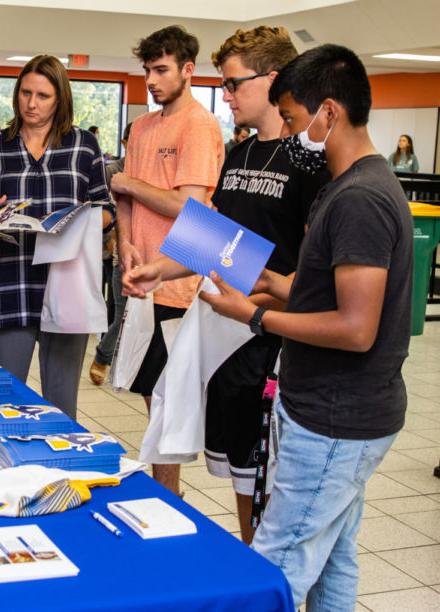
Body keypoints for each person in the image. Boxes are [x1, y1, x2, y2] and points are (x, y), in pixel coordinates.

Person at [197, 44, 412, 610]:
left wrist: (257, 315)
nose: (291, 133)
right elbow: (335, 292)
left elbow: (357, 326)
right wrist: (274, 281)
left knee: (278, 561)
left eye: (293, 119)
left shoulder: (360, 197)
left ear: (330, 112)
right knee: (334, 558)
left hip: (336, 413)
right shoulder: (343, 184)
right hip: (335, 406)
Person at [123, 26, 330, 543]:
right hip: (228, 339)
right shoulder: (239, 155)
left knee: (271, 488)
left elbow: (314, 268)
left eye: (235, 84)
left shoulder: (308, 162)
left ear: (274, 80)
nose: (228, 95)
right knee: (241, 478)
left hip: (274, 339)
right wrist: (164, 268)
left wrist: (261, 300)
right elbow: (221, 242)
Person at [0, 55, 115, 418]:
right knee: (2, 406)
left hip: (67, 288)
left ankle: (60, 473)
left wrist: (74, 220)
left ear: (60, 99)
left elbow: (106, 210)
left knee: (61, 408)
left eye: (43, 96)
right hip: (9, 286)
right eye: (25, 93)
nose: (31, 103)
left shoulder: (83, 146)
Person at [110, 25, 224, 495]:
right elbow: (123, 201)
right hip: (141, 276)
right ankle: (165, 489)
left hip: (180, 278)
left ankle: (168, 494)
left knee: (167, 398)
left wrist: (127, 183)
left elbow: (190, 209)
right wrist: (123, 241)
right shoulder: (141, 126)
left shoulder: (199, 124)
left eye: (161, 70)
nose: (152, 81)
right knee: (148, 393)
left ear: (188, 70)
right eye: (147, 71)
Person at [89, 121, 133, 385]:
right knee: (119, 312)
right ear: (125, 143)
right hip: (111, 250)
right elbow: (104, 210)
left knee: (121, 312)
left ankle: (110, 356)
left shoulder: (148, 174)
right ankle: (104, 355)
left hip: (140, 255)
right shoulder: (111, 171)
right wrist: (111, 240)